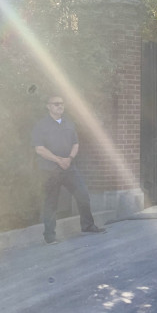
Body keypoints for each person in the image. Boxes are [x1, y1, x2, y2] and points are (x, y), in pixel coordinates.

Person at [31, 95, 106, 245]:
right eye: (56, 104)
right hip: (50, 170)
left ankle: (88, 225)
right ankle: (50, 236)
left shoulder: (69, 124)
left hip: (69, 167)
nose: (60, 106)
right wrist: (59, 160)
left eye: (62, 104)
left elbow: (75, 144)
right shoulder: (41, 125)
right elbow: (39, 149)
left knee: (83, 194)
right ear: (48, 106)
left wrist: (69, 159)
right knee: (51, 202)